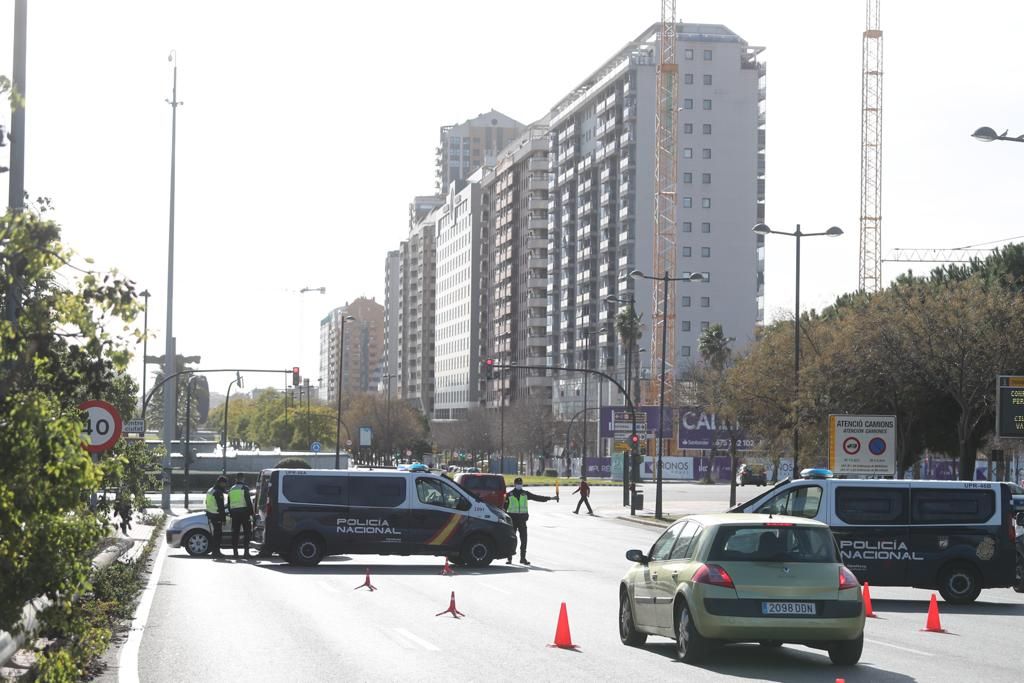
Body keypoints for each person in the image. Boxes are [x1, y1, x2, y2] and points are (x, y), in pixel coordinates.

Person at [503, 477, 558, 565]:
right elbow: (504, 509)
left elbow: (537, 497)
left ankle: (523, 558)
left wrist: (550, 498)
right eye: (518, 484)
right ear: (514, 484)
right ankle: (509, 558)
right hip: (513, 520)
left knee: (524, 540)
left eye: (520, 484)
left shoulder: (525, 494)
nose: (519, 485)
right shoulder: (509, 495)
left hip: (522, 520)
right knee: (512, 540)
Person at [227, 473, 255, 559]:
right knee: (247, 533)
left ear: (236, 479)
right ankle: (246, 553)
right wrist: (252, 513)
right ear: (243, 479)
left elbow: (229, 503)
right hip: (244, 513)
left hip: (235, 514)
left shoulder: (231, 489)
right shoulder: (244, 488)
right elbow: (248, 502)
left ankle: (235, 553)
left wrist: (231, 513)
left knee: (235, 533)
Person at [205, 476, 229, 557]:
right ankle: (216, 552)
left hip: (211, 514)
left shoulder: (210, 490)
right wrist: (224, 519)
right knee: (218, 535)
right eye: (224, 483)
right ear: (221, 483)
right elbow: (220, 507)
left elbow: (206, 502)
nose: (225, 485)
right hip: (216, 515)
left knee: (215, 534)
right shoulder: (218, 492)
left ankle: (215, 551)